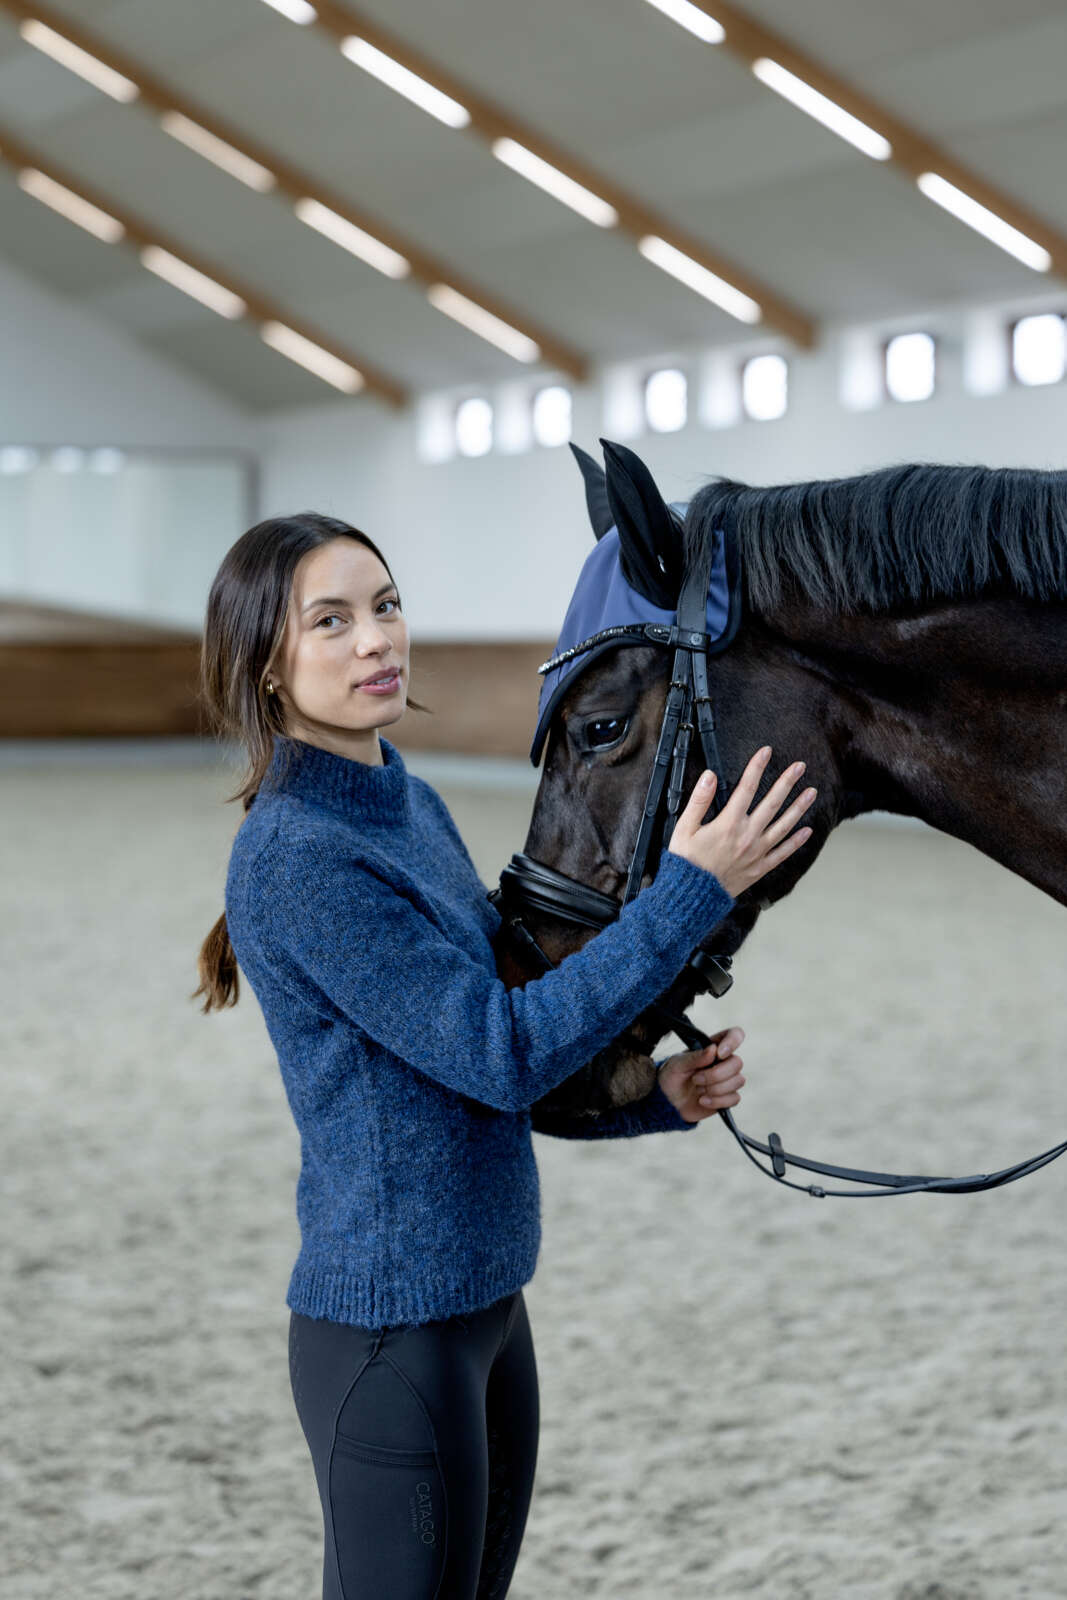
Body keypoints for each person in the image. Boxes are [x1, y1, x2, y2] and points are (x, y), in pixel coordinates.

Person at [192, 511, 816, 1599]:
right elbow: (497, 1050)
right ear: (267, 668)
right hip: (391, 1339)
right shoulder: (297, 859)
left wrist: (648, 1095)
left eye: (385, 606)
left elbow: (493, 1034)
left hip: (484, 1311)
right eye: (330, 621)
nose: (376, 640)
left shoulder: (406, 802)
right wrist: (686, 893)